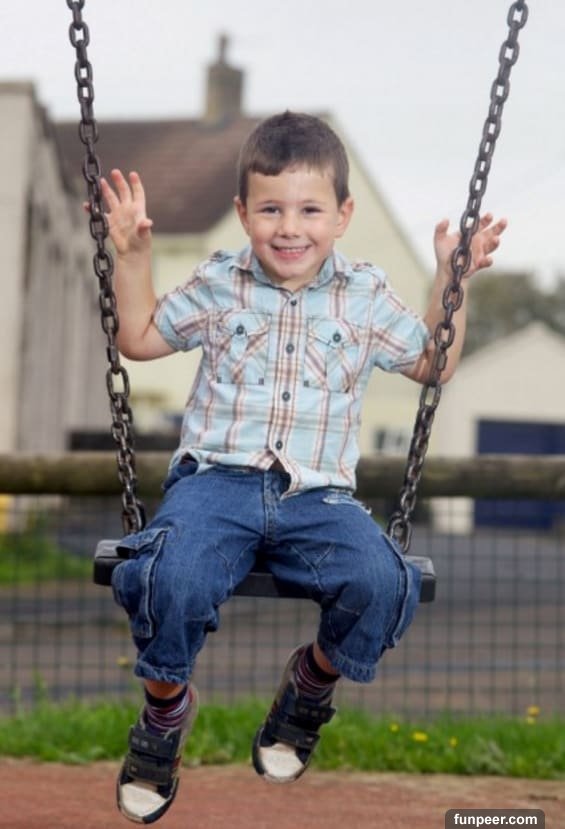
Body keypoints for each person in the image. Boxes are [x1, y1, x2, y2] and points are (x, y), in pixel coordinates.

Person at [100, 111, 506, 823]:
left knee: (381, 580)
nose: (290, 228)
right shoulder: (220, 282)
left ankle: (310, 685)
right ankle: (164, 714)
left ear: (342, 215)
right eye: (271, 209)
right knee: (171, 578)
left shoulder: (364, 295)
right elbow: (136, 336)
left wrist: (453, 279)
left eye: (310, 210)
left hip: (318, 495)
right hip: (215, 484)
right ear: (243, 213)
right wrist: (131, 255)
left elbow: (432, 362)